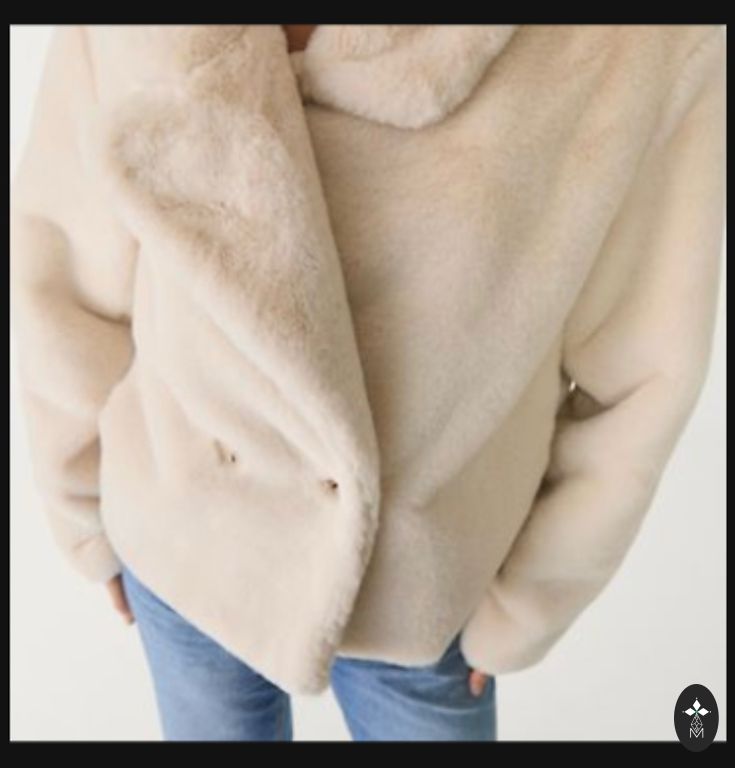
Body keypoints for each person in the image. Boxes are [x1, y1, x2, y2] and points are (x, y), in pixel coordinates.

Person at [9, 24, 726, 741]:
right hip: (188, 538)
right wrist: (83, 501)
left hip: (423, 590)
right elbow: (63, 250)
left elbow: (642, 369)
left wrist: (531, 600)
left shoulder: (635, 40)